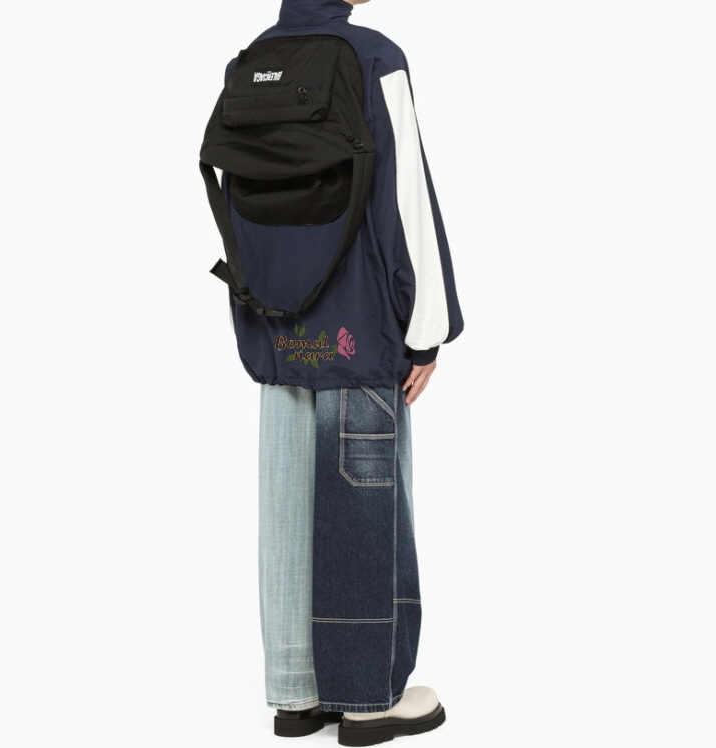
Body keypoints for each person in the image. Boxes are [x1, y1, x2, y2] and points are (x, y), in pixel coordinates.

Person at [209, 0, 464, 743]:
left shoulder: (249, 61)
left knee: (289, 501)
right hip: (356, 324)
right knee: (362, 506)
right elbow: (406, 201)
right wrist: (428, 329)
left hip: (275, 323)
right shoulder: (373, 56)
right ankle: (364, 699)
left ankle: (296, 694)